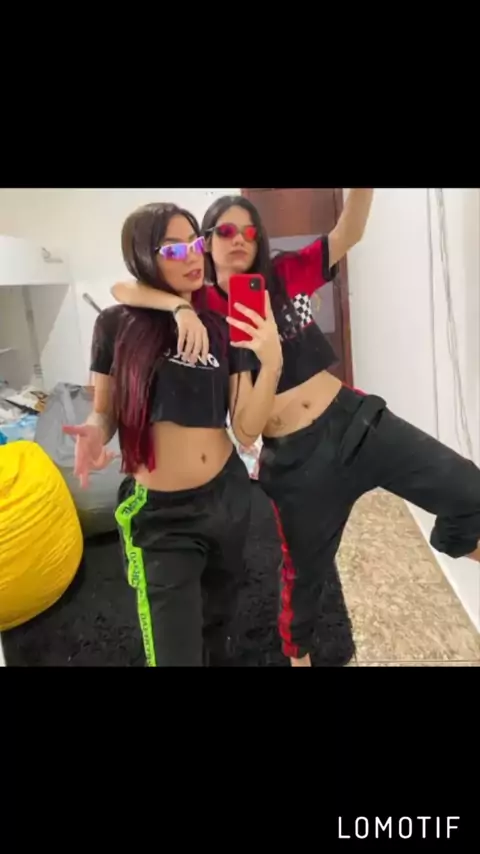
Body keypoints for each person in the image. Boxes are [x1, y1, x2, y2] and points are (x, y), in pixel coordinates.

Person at [111, 191, 480, 668]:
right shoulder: (200, 306)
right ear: (206, 242)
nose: (240, 240)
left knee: (468, 486)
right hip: (292, 458)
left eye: (250, 232)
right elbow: (125, 290)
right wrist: (179, 309)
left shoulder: (282, 275)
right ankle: (297, 656)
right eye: (226, 231)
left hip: (354, 421)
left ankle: (456, 540)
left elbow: (349, 232)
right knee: (304, 578)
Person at [65, 202, 282, 667]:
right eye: (175, 249)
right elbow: (104, 412)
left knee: (218, 626)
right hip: (163, 518)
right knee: (174, 653)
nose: (193, 255)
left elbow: (246, 429)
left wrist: (272, 364)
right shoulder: (116, 325)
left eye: (196, 243)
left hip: (226, 496)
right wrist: (95, 431)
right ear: (145, 255)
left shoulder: (221, 328)